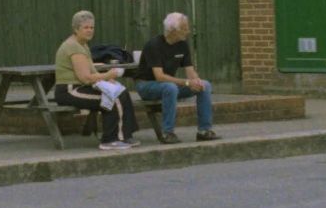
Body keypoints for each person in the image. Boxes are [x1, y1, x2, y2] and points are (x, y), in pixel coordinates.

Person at [53, 10, 139, 150]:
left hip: (80, 87)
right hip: (69, 91)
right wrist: (107, 75)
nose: (89, 30)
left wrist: (107, 81)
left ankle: (125, 135)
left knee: (122, 92)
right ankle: (109, 140)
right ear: (76, 29)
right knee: (113, 97)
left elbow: (92, 71)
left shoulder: (83, 45)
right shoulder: (73, 46)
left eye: (92, 27)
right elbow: (85, 78)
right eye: (85, 27)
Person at [136, 12, 219, 143]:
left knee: (205, 85)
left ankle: (204, 131)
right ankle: (168, 133)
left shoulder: (182, 45)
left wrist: (196, 80)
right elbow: (159, 77)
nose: (188, 31)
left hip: (168, 85)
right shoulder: (154, 45)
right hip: (147, 86)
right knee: (170, 88)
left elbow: (190, 71)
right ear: (173, 30)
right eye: (184, 28)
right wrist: (186, 83)